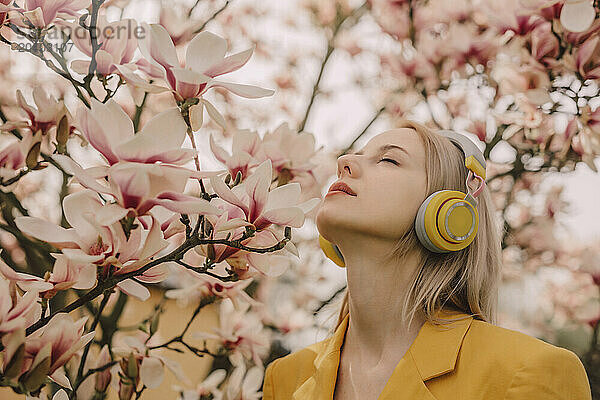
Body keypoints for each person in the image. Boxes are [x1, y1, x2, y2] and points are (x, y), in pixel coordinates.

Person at [262, 119, 592, 400]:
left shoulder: (529, 371)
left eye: (388, 160)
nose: (345, 161)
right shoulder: (285, 378)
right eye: (357, 153)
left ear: (447, 215)